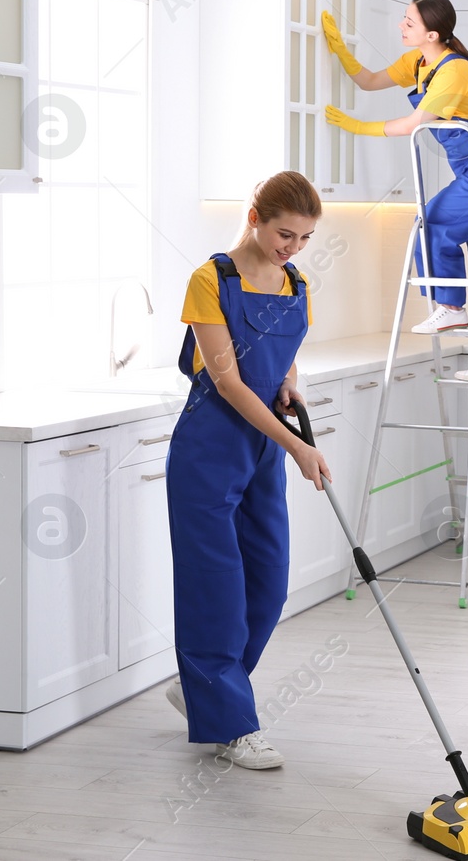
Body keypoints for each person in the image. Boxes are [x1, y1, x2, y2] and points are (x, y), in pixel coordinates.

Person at [163, 170, 331, 770]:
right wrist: (295, 446)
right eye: (286, 233)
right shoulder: (210, 280)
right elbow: (227, 379)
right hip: (210, 448)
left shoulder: (296, 284)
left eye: (305, 238)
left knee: (268, 582)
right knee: (216, 591)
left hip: (261, 447)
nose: (292, 247)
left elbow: (282, 361)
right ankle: (233, 726)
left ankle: (203, 689)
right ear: (256, 215)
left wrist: (291, 387)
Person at [322, 0, 468, 381]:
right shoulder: (418, 62)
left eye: (409, 22)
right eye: (403, 19)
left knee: (432, 223)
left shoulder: (455, 70)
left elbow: (415, 122)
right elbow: (369, 81)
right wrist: (339, 51)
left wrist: (357, 128)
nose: (401, 26)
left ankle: (451, 306)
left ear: (433, 33)